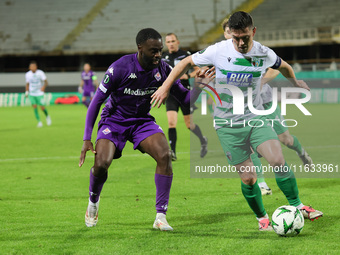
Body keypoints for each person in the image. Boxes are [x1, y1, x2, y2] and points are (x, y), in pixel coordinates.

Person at [151, 11, 323, 231]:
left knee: (278, 160)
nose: (241, 43)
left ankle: (298, 206)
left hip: (255, 117)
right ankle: (262, 219)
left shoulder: (263, 52)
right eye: (236, 38)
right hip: (227, 125)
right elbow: (184, 62)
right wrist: (165, 87)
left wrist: (296, 82)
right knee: (249, 178)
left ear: (253, 31)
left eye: (245, 37)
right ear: (230, 34)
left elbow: (284, 66)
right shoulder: (217, 50)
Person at [79, 28, 206, 231]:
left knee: (164, 155)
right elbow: (96, 102)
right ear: (140, 48)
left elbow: (186, 101)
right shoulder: (120, 68)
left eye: (160, 50)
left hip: (141, 122)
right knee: (102, 164)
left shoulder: (163, 69)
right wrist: (87, 138)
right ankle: (93, 202)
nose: (158, 55)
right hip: (114, 121)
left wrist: (199, 85)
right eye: (153, 51)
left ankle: (160, 217)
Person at [222, 19, 313, 196]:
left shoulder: (256, 50)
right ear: (227, 34)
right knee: (248, 145)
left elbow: (277, 68)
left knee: (286, 140)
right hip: (244, 107)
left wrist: (260, 81)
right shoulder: (221, 54)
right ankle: (262, 184)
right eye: (227, 32)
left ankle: (301, 152)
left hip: (266, 101)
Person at [162, 33, 208, 160]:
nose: (170, 43)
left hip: (184, 93)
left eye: (172, 41)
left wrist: (188, 76)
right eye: (168, 42)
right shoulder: (163, 57)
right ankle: (173, 152)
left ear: (178, 42)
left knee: (189, 125)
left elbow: (200, 69)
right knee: (171, 122)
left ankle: (203, 140)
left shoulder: (186, 55)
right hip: (171, 94)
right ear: (166, 44)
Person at [25, 61, 52, 127]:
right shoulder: (28, 74)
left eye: (33, 66)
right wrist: (27, 91)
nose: (32, 68)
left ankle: (47, 116)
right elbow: (27, 84)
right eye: (31, 67)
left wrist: (43, 87)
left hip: (39, 93)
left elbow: (46, 82)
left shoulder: (40, 73)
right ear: (29, 68)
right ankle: (39, 122)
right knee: (34, 107)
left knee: (42, 107)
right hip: (32, 93)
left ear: (36, 67)